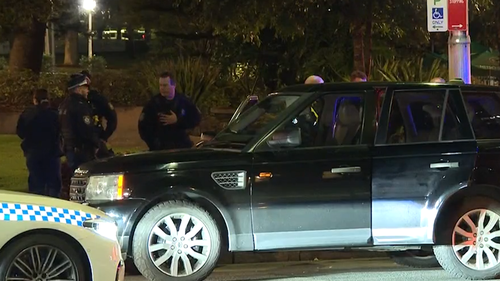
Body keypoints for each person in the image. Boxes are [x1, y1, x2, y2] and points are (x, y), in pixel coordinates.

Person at [16, 89, 63, 198]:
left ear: (35, 100)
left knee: (36, 185)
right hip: (51, 153)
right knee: (53, 185)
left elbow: (20, 132)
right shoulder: (54, 114)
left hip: (33, 153)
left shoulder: (27, 114)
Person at [138, 71, 201, 151]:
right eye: (160, 85)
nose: (162, 88)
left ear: (173, 85)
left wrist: (178, 120)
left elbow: (196, 118)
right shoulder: (153, 104)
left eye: (165, 85)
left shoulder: (183, 101)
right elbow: (143, 127)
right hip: (161, 148)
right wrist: (155, 144)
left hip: (181, 146)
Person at [59, 73, 101, 172]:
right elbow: (86, 130)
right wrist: (96, 144)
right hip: (82, 151)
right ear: (78, 89)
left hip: (69, 148)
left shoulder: (64, 104)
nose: (87, 91)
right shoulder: (80, 106)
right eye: (85, 87)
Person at [78, 70, 117, 158]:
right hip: (79, 143)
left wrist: (104, 137)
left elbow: (112, 118)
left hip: (96, 139)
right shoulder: (73, 101)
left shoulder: (97, 99)